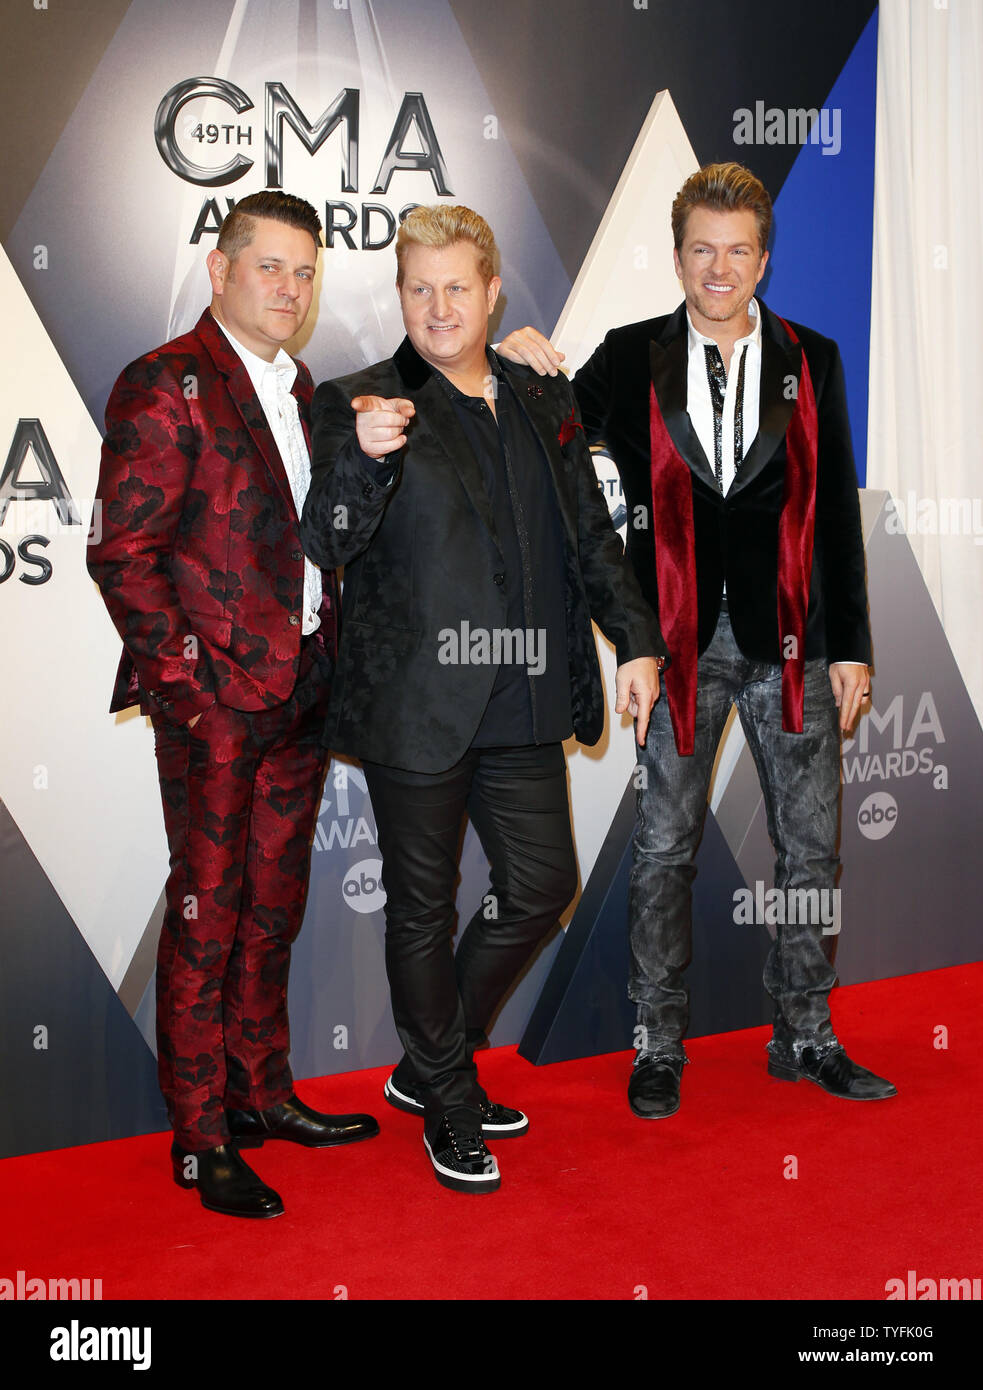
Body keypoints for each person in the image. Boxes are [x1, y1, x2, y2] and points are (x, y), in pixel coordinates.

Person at [499, 162, 896, 1117]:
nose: (718, 269)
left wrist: (852, 643)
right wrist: (517, 360)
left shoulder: (815, 359)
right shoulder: (631, 354)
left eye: (737, 251)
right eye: (700, 250)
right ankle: (657, 1040)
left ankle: (804, 1032)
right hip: (671, 642)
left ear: (762, 258)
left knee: (809, 849)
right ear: (677, 256)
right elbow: (547, 430)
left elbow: (833, 509)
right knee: (664, 846)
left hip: (794, 639)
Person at [300, 204, 664, 1192]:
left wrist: (634, 639)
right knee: (419, 910)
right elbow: (326, 537)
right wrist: (365, 461)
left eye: (456, 285)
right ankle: (448, 1101)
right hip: (414, 706)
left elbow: (591, 534)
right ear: (399, 295)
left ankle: (431, 1059)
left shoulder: (542, 392)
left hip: (527, 695)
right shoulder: (358, 399)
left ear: (492, 290)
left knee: (542, 884)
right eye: (418, 287)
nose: (437, 305)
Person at [88, 190, 379, 1220]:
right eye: (269, 267)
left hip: (301, 694)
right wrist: (189, 692)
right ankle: (200, 1135)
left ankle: (262, 1094)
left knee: (274, 909)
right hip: (216, 708)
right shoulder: (164, 383)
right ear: (220, 270)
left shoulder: (303, 389)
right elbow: (122, 553)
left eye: (304, 272)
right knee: (209, 914)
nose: (289, 290)